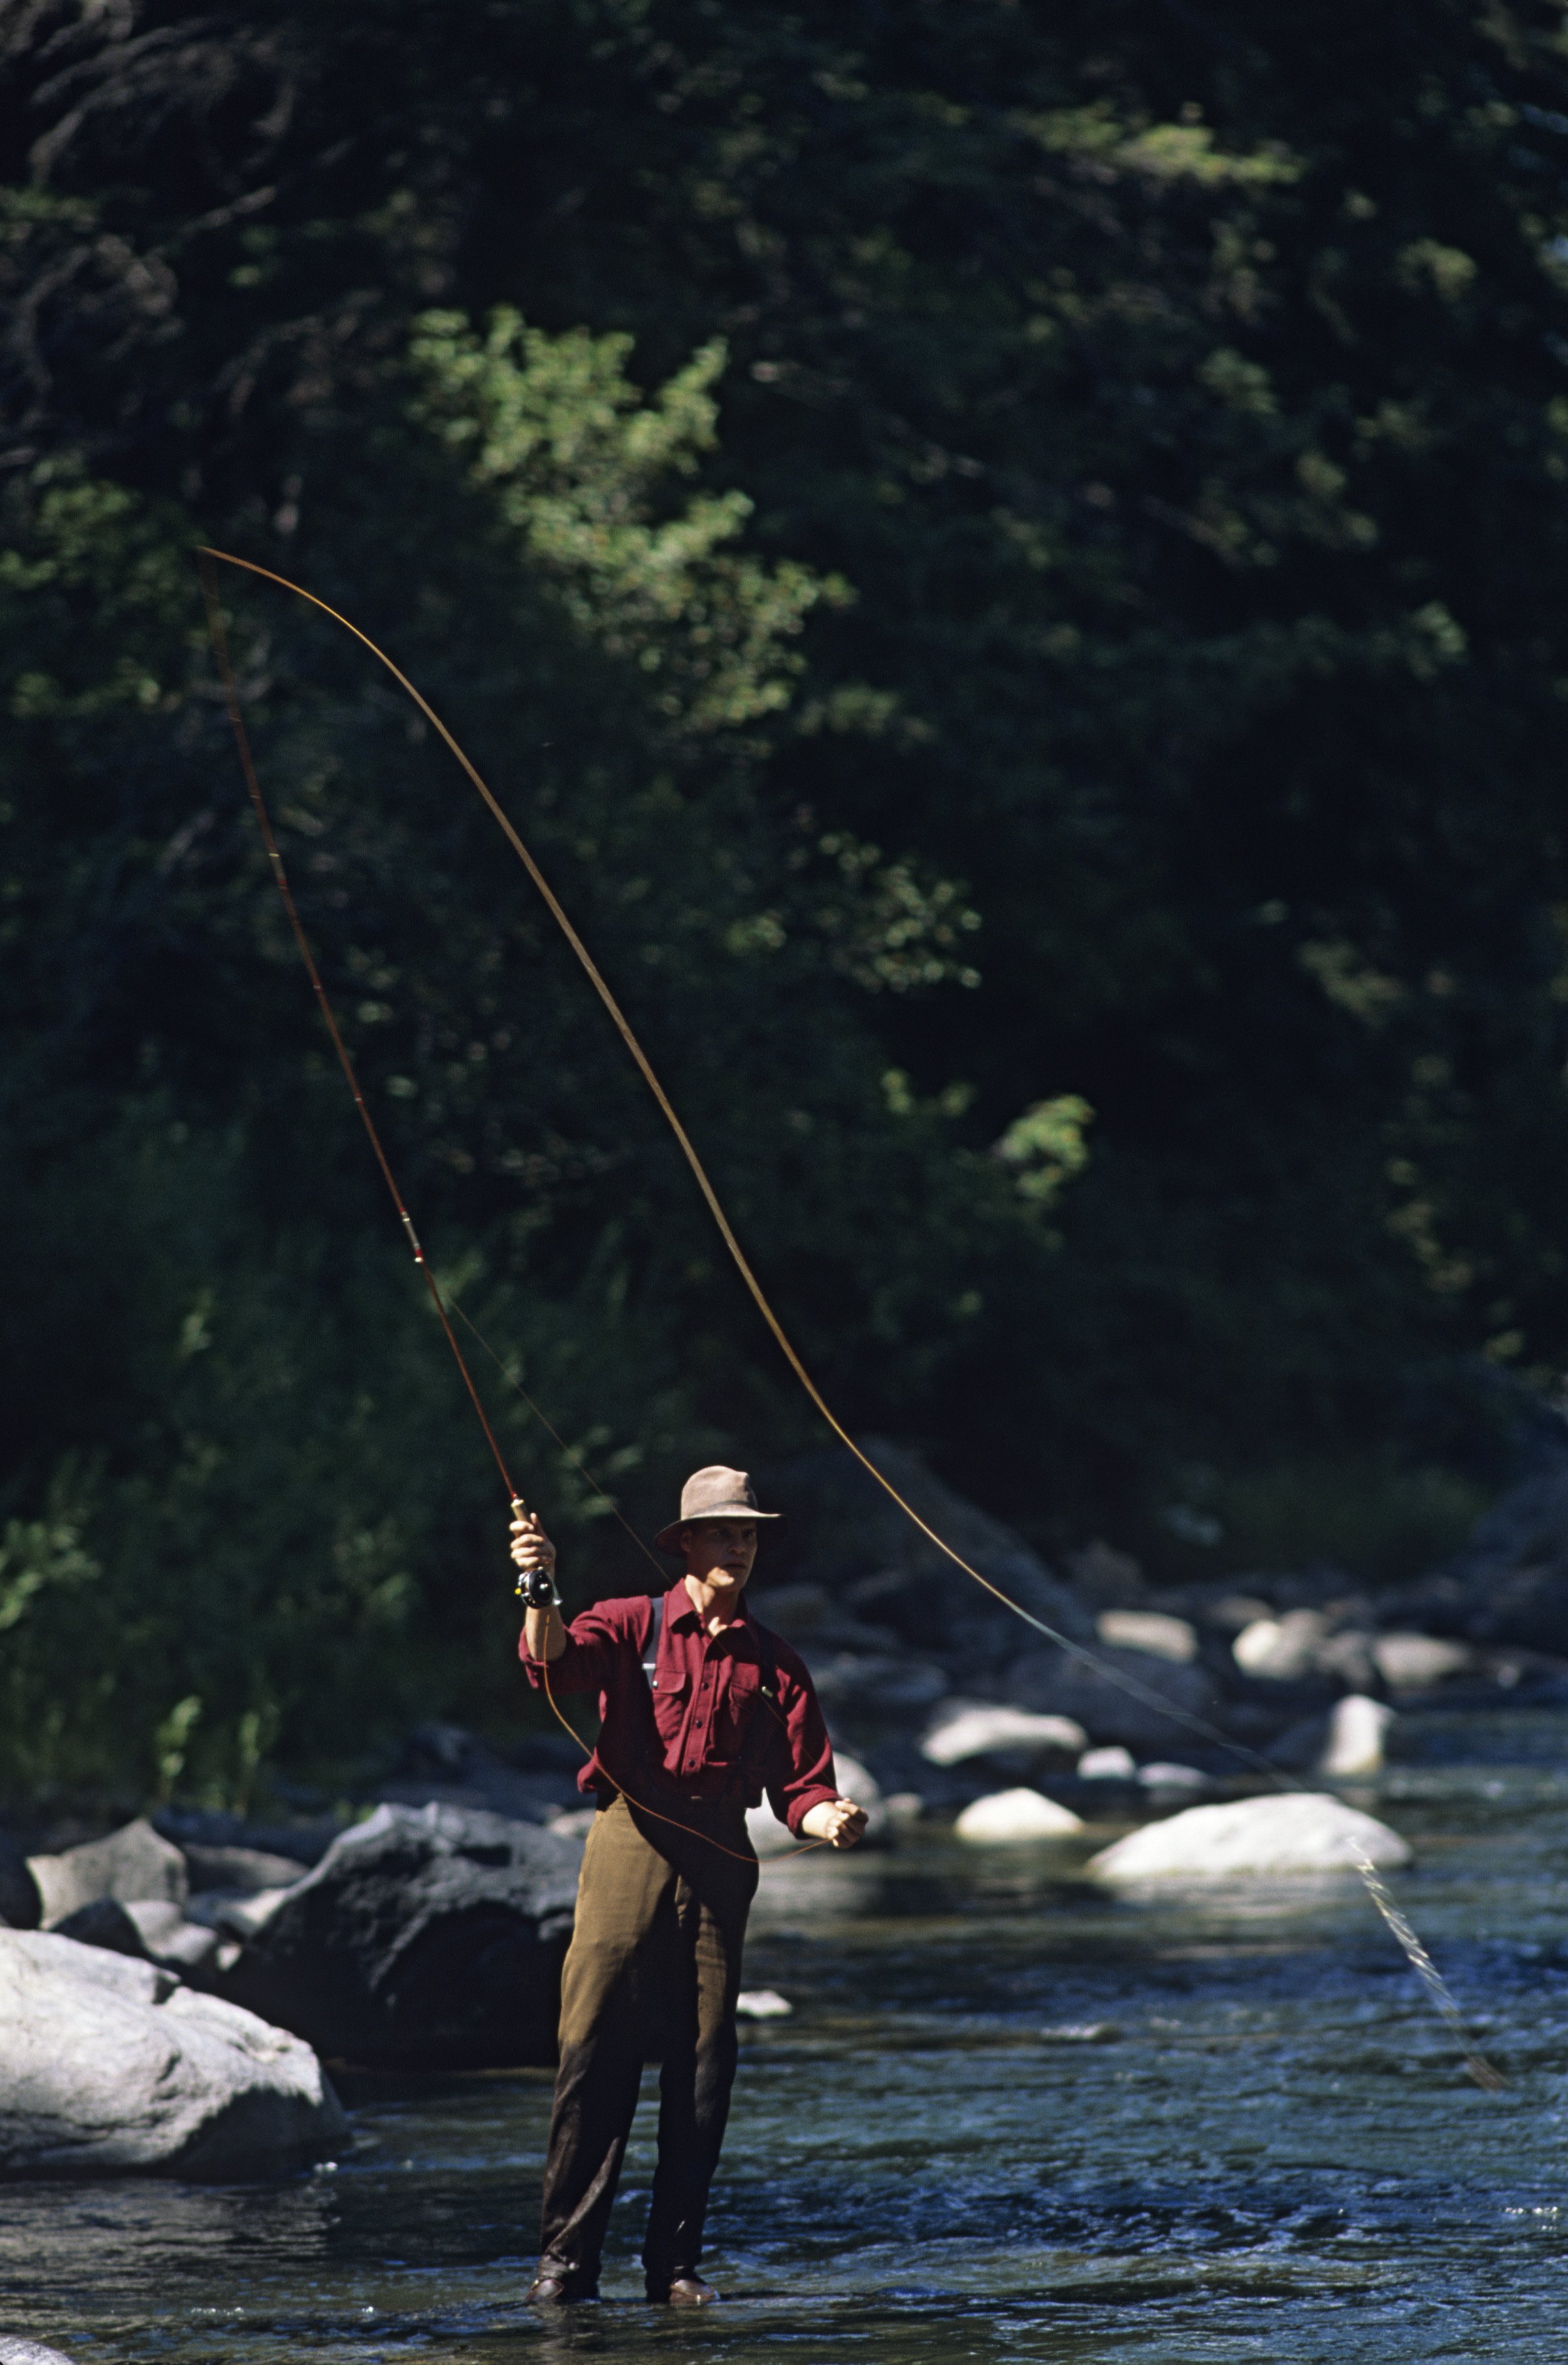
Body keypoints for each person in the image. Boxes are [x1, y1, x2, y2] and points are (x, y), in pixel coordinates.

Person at [511, 1463, 867, 2307]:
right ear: (685, 1544)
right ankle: (566, 2266)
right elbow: (551, 1663)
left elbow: (803, 1786)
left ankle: (673, 2267)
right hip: (629, 1835)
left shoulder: (775, 1661)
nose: (738, 1546)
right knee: (593, 2047)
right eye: (723, 1532)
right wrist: (539, 1584)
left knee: (706, 2062)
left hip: (721, 1852)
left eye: (748, 1534)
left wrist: (828, 1820)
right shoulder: (629, 1623)